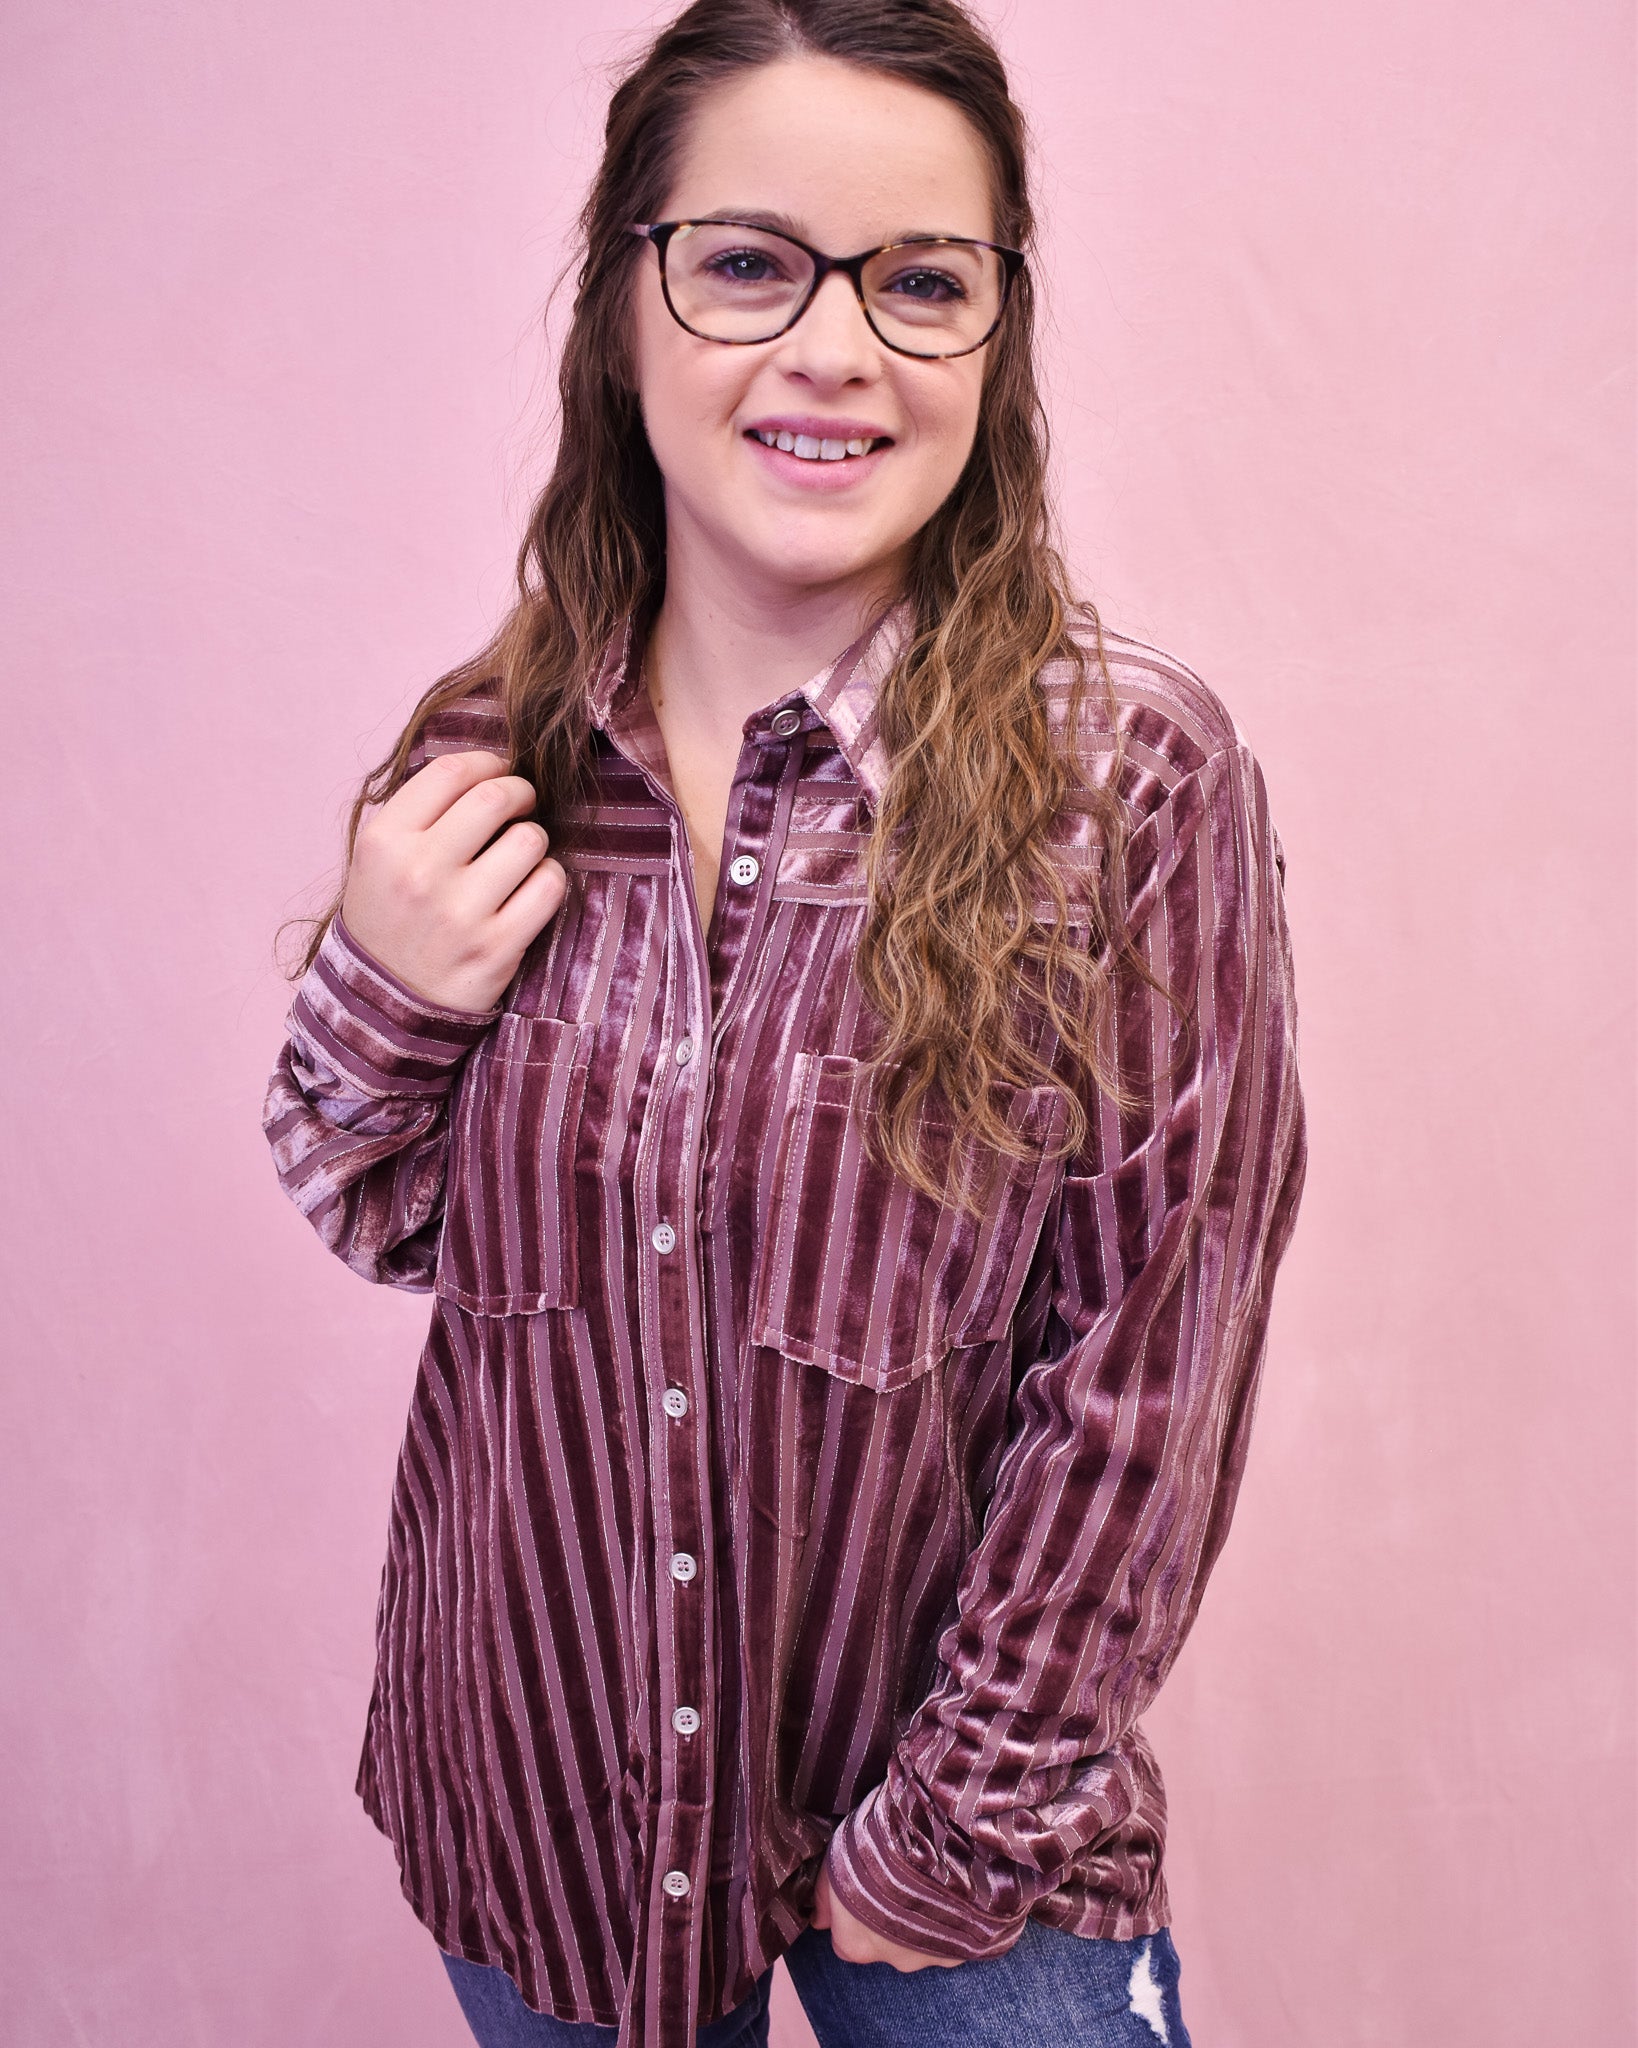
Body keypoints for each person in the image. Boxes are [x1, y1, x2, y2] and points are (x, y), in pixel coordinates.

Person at [261, 2, 1308, 2044]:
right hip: (547, 1804)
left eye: (922, 282)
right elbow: (386, 1220)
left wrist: (957, 1826)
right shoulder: (496, 760)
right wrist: (381, 986)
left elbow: (1153, 1373)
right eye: (749, 260)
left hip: (975, 1845)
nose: (833, 346)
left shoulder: (1135, 783)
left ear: (996, 342)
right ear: (623, 305)